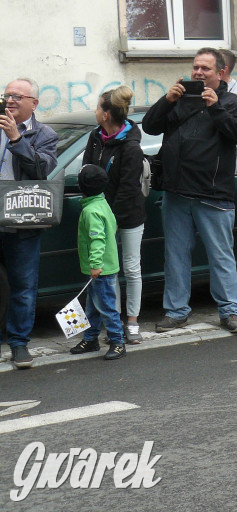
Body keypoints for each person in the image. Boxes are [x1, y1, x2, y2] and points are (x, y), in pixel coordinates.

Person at [141, 48, 237, 334]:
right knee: (176, 255)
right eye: (196, 68)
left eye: (205, 68)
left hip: (213, 194)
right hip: (177, 193)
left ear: (221, 73)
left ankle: (230, 311)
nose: (199, 73)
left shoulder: (231, 102)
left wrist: (216, 108)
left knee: (220, 256)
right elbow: (150, 126)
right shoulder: (179, 101)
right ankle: (176, 311)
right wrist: (167, 100)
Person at [0, 78, 58, 369]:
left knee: (23, 285)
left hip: (22, 221)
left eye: (17, 96)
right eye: (7, 95)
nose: (9, 100)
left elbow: (40, 169)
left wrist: (16, 140)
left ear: (33, 103)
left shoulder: (44, 134)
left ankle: (19, 344)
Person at [83, 85, 146, 345]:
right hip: (101, 215)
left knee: (131, 268)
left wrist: (111, 218)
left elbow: (128, 188)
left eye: (98, 107)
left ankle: (132, 321)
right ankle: (113, 322)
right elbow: (87, 170)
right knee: (108, 270)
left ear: (107, 114)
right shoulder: (95, 137)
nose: (95, 111)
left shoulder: (131, 147)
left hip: (127, 214)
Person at [69, 165, 126, 361]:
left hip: (100, 269)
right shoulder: (102, 203)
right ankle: (91, 338)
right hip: (104, 266)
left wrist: (95, 264)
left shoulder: (90, 211)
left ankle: (118, 341)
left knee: (107, 306)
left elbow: (97, 239)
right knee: (93, 307)